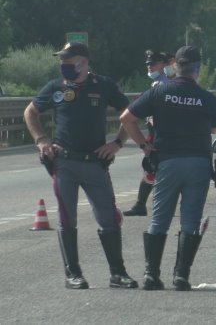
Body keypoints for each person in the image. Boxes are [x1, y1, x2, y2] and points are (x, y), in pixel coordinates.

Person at [23, 42, 138, 290]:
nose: (63, 65)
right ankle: (73, 274)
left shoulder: (103, 84)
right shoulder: (55, 87)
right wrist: (41, 140)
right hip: (64, 162)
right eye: (61, 60)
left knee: (108, 217)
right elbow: (30, 111)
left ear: (83, 62)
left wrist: (117, 142)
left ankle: (117, 274)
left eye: (68, 60)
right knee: (67, 219)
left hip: (95, 162)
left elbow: (129, 112)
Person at [120, 45, 216, 291]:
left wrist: (144, 145)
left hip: (167, 162)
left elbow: (126, 119)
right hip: (197, 163)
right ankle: (181, 276)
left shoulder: (160, 92)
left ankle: (151, 275)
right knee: (190, 220)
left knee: (159, 219)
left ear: (175, 66)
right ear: (197, 69)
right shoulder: (207, 98)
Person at [123, 50, 171, 217]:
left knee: (158, 168)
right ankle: (141, 205)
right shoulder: (157, 84)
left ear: (164, 65)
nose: (149, 67)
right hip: (154, 132)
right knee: (151, 167)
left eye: (153, 64)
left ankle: (148, 205)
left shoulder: (164, 84)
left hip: (161, 133)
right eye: (148, 64)